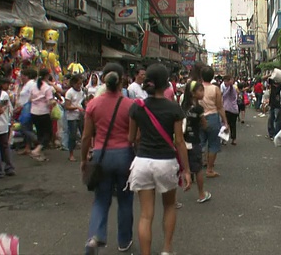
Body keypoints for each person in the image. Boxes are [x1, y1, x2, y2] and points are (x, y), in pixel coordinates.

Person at [127, 64, 191, 255]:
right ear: (166, 84)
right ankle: (166, 250)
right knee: (169, 205)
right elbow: (179, 142)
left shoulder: (137, 107)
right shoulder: (174, 108)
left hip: (142, 162)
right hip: (166, 162)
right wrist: (186, 170)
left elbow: (132, 138)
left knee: (146, 215)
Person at [80, 63, 135, 254]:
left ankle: (95, 236)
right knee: (126, 199)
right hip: (125, 156)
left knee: (101, 200)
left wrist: (83, 160)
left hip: (101, 156)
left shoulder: (93, 104)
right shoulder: (130, 105)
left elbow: (86, 136)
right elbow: (135, 136)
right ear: (122, 80)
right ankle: (124, 240)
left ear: (103, 79)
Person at [181, 80, 211, 203]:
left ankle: (186, 183)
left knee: (184, 165)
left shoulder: (183, 106)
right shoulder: (198, 109)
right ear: (193, 93)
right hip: (194, 141)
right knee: (198, 168)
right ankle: (201, 194)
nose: (203, 92)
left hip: (182, 141)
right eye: (200, 90)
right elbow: (204, 125)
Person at [199, 66, 229, 178]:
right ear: (212, 76)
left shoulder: (197, 87)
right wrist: (225, 122)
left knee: (199, 143)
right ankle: (209, 169)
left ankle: (195, 169)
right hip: (213, 117)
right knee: (213, 144)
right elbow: (220, 107)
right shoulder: (215, 89)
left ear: (201, 76)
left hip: (199, 117)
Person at [30, 69, 56, 161]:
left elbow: (30, 98)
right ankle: (37, 150)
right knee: (48, 134)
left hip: (34, 112)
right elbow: (49, 102)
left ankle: (40, 154)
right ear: (47, 76)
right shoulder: (47, 88)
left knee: (40, 133)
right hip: (43, 112)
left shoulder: (33, 85)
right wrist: (54, 102)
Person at [0, 77, 15, 178]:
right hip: (3, 124)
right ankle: (8, 167)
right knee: (4, 147)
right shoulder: (4, 95)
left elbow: (1, 110)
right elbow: (10, 109)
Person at [15, 68, 38, 155]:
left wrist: (27, 104)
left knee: (24, 126)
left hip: (28, 107)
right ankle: (27, 147)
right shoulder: (25, 85)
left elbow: (33, 95)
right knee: (27, 126)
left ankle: (36, 139)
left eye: (22, 76)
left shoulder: (32, 84)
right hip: (24, 107)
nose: (21, 77)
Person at [65, 74, 86, 162]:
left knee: (84, 135)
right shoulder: (69, 92)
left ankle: (85, 153)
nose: (79, 86)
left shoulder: (82, 92)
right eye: (78, 84)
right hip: (72, 117)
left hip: (80, 116)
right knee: (72, 136)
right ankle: (71, 154)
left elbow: (83, 102)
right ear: (73, 83)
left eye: (80, 84)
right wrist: (76, 108)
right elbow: (67, 106)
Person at [222, 75, 239, 145]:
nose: (225, 83)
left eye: (226, 81)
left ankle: (229, 139)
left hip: (230, 109)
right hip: (230, 109)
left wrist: (231, 83)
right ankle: (230, 139)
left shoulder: (231, 88)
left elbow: (231, 88)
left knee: (228, 124)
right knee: (229, 124)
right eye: (224, 81)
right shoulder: (226, 88)